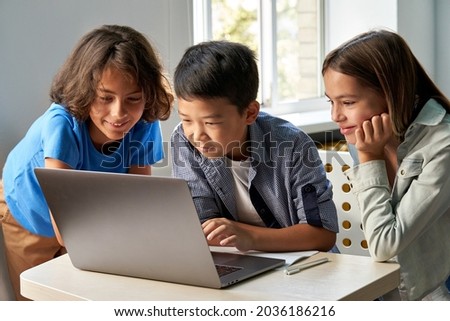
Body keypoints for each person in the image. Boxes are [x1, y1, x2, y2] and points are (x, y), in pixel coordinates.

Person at [0, 24, 174, 300]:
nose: (119, 113)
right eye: (106, 98)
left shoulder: (144, 124)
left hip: (86, 214)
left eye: (133, 99)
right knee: (38, 300)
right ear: (85, 89)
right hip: (27, 211)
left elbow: (138, 201)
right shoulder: (62, 125)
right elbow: (64, 232)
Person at [170, 40, 338, 253]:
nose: (197, 134)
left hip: (304, 267)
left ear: (250, 113)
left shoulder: (293, 145)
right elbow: (200, 228)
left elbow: (322, 235)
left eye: (211, 123)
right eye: (186, 120)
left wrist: (249, 237)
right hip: (235, 263)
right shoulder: (184, 140)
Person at [322, 29, 450, 301]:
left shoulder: (443, 145)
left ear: (392, 93)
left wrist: (369, 158)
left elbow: (384, 245)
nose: (335, 115)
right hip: (395, 294)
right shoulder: (373, 137)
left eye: (347, 102)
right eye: (330, 101)